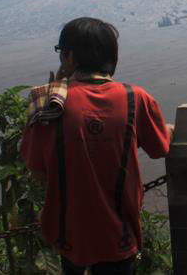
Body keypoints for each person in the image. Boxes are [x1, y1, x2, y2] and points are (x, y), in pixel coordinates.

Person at [21, 17, 174, 274]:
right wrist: (169, 130)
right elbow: (160, 148)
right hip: (120, 233)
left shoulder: (49, 103)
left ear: (69, 56)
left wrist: (57, 90)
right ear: (111, 57)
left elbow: (37, 171)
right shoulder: (136, 98)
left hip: (68, 234)